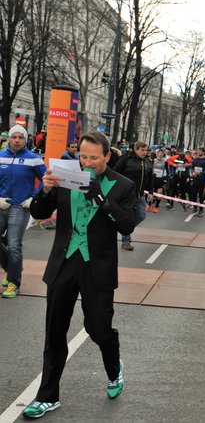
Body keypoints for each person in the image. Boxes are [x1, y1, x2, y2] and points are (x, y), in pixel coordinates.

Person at [23, 131, 136, 419]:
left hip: (97, 267)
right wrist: (45, 190)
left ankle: (114, 369)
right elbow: (38, 212)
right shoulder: (65, 176)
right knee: (54, 332)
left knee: (98, 329)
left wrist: (102, 199)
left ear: (107, 156)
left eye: (93, 158)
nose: (86, 162)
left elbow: (126, 225)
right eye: (82, 156)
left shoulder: (123, 185)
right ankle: (47, 397)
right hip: (64, 262)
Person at [0, 125, 47, 298]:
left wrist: (33, 198)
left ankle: (14, 283)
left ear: (25, 140)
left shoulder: (33, 159)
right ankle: (12, 268)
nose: (17, 140)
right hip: (1, 205)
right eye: (14, 137)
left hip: (20, 207)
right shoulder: (1, 156)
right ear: (9, 139)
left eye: (21, 137)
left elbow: (46, 179)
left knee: (13, 245)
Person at [114, 141, 152, 251]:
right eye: (142, 150)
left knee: (141, 215)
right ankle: (126, 242)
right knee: (128, 216)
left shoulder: (146, 162)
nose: (144, 152)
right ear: (136, 149)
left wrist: (151, 191)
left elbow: (150, 177)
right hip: (127, 195)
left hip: (140, 195)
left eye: (146, 150)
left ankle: (124, 228)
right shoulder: (126, 159)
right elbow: (115, 172)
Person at [190, 147, 205, 217]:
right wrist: (193, 173)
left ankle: (201, 209)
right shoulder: (195, 159)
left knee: (201, 194)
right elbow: (192, 168)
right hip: (195, 178)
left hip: (201, 179)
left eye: (200, 151)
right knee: (194, 194)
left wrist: (200, 173)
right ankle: (195, 208)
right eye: (198, 151)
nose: (198, 152)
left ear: (203, 152)